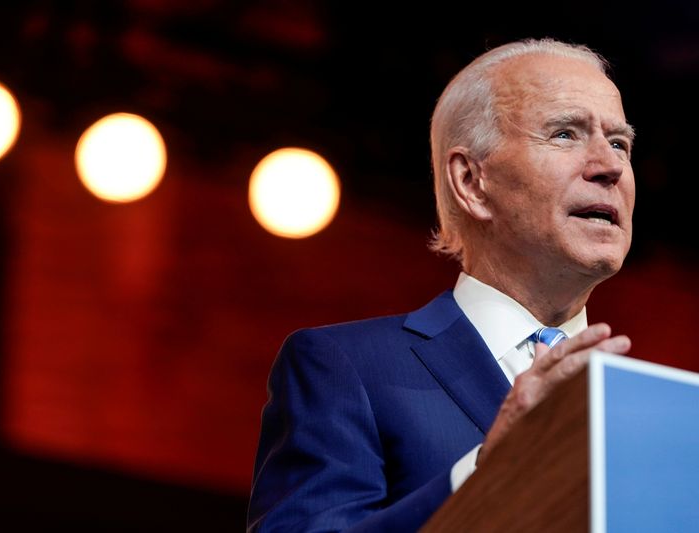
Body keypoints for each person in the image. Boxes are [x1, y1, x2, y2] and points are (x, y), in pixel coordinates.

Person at [247, 38, 635, 532]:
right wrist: (488, 469)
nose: (612, 166)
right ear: (471, 182)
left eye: (620, 142)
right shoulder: (344, 367)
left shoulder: (654, 410)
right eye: (565, 134)